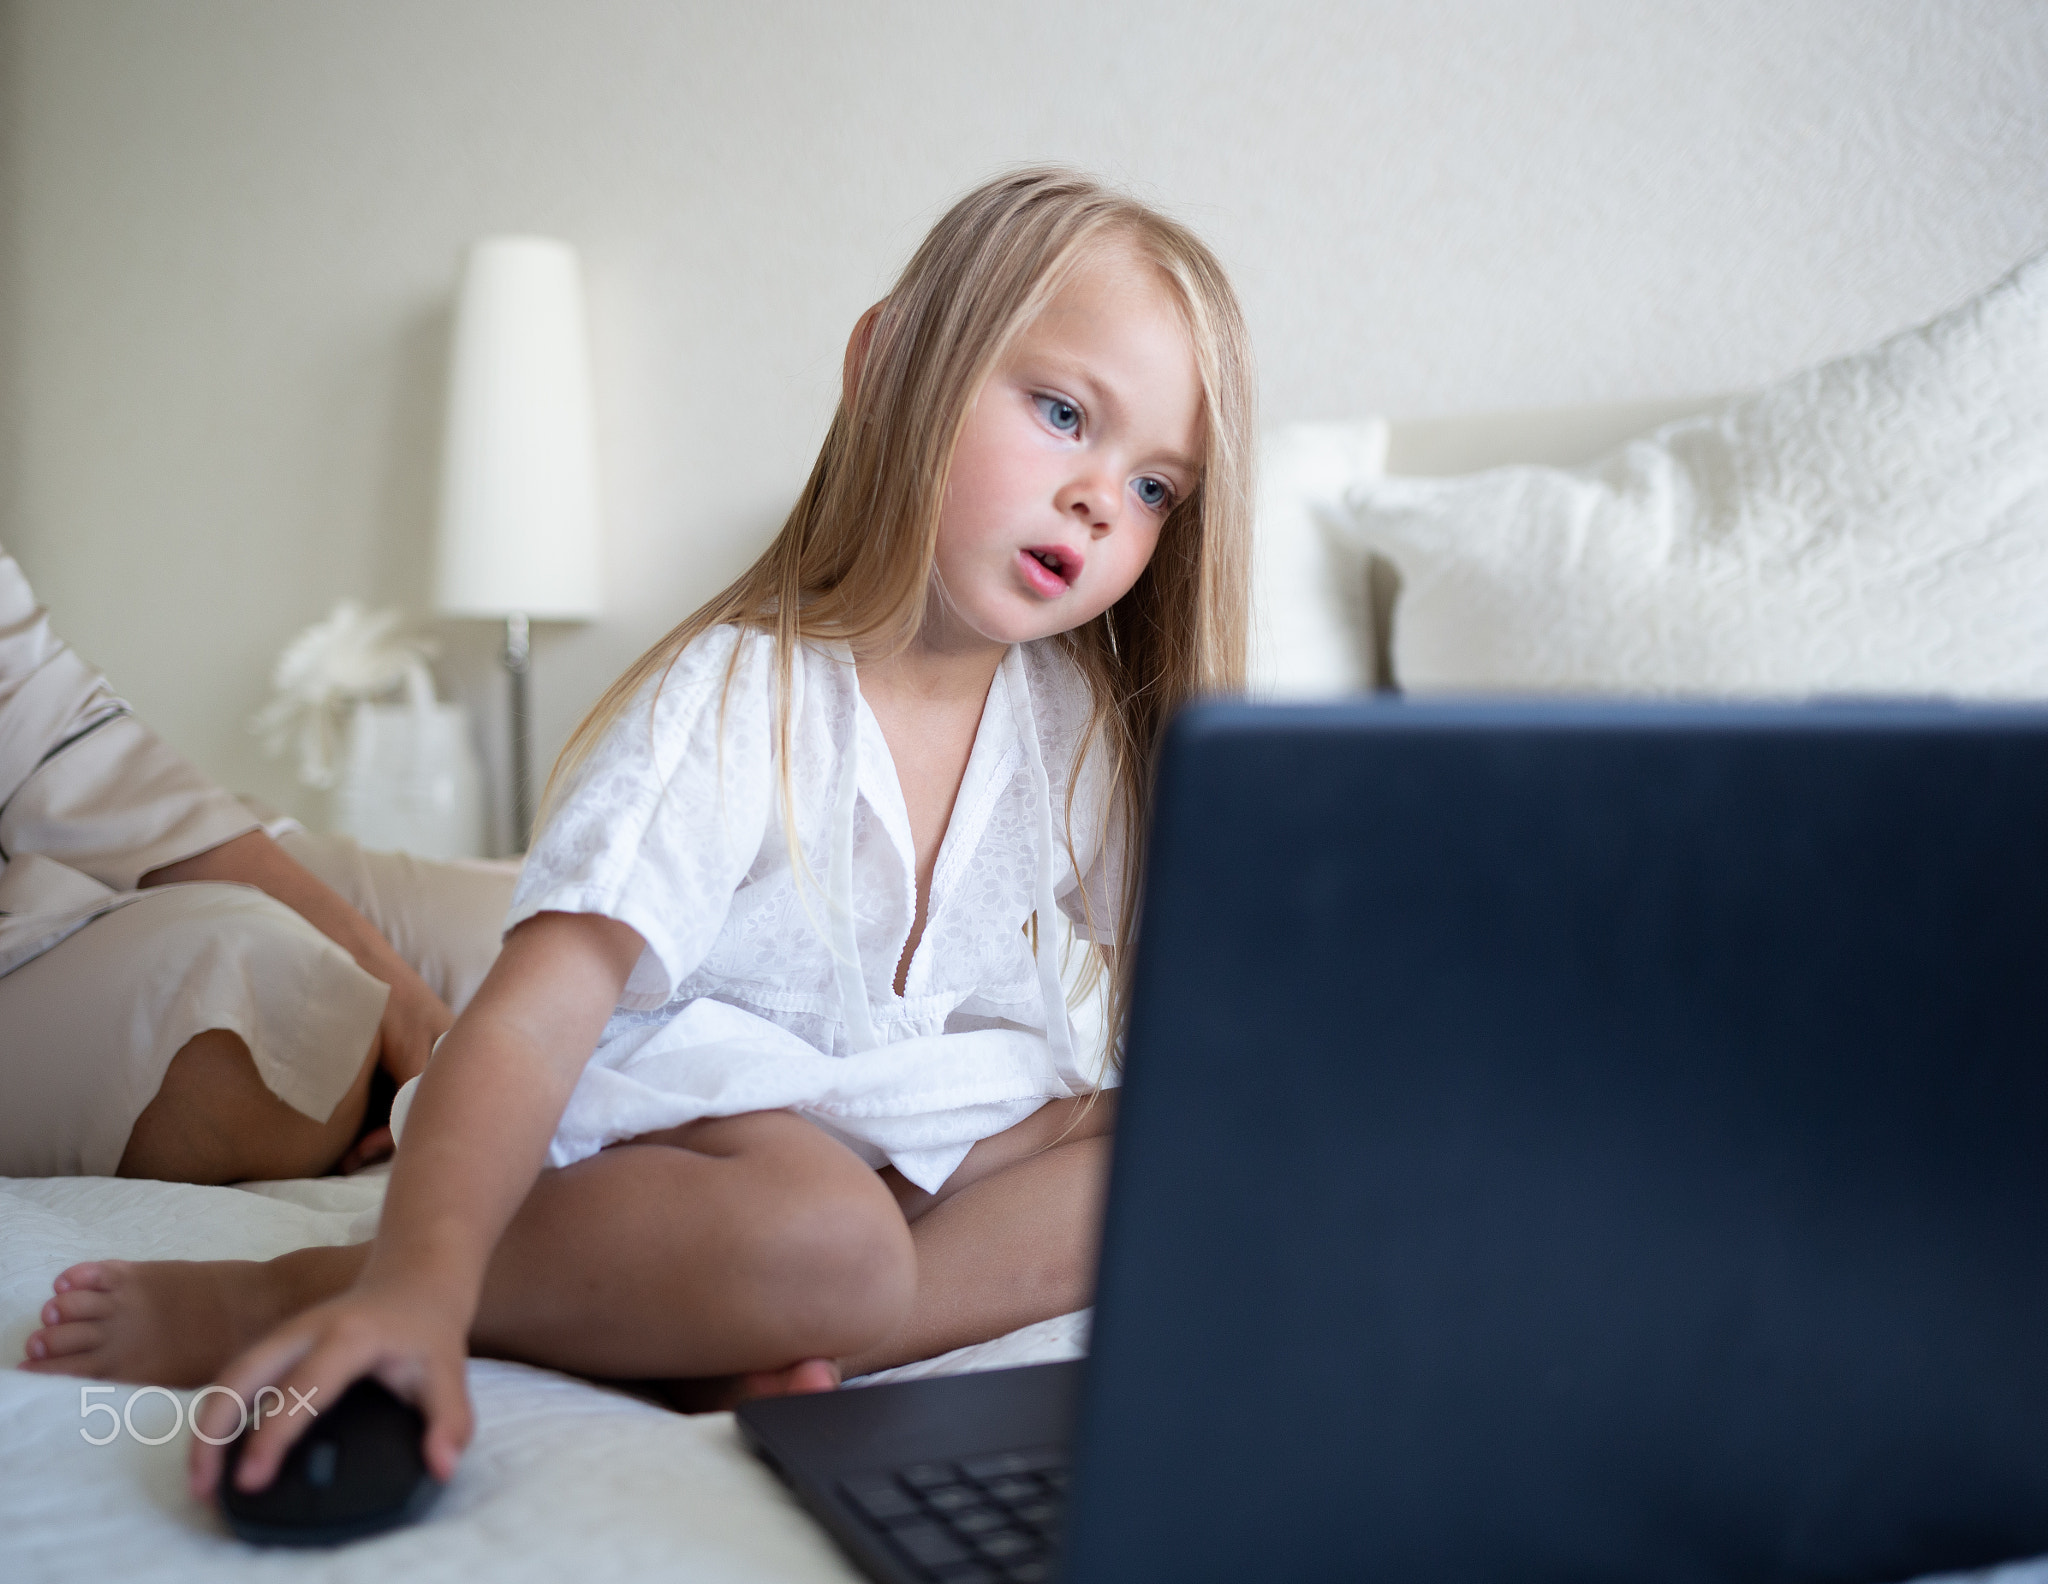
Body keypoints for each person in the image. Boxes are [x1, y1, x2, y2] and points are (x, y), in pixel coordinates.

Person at [22, 167, 1256, 1504]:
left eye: (1154, 488)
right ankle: (315, 1286)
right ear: (888, 362)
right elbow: (529, 1019)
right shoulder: (734, 697)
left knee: (1184, 1153)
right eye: (1063, 415)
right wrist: (417, 1287)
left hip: (915, 1132)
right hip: (708, 1147)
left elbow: (1197, 993)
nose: (1099, 500)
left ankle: (746, 1339)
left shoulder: (1074, 727)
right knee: (830, 1243)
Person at [0, 547, 461, 1183]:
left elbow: (50, 735)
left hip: (52, 849)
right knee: (277, 1000)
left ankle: (392, 1065)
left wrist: (402, 997)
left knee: (508, 925)